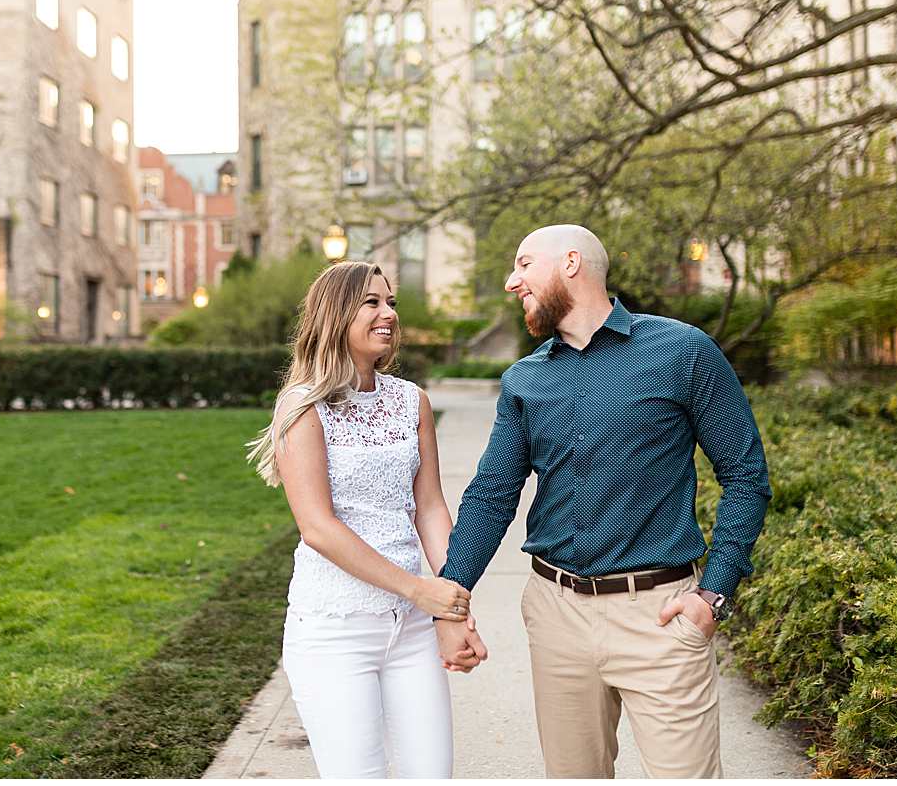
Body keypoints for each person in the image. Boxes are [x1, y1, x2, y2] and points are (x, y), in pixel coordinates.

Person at [434, 224, 771, 780]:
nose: (510, 282)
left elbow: (744, 474)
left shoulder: (682, 351)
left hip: (660, 616)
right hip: (557, 613)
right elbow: (492, 496)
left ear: (571, 263)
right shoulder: (525, 379)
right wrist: (454, 599)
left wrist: (714, 594)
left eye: (523, 265)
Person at [248, 261, 482, 779]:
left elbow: (431, 508)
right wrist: (419, 590)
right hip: (335, 630)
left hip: (414, 630)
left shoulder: (411, 401)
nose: (388, 314)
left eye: (390, 302)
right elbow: (318, 527)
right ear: (335, 315)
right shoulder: (302, 405)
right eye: (372, 302)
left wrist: (454, 610)